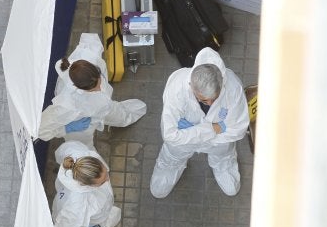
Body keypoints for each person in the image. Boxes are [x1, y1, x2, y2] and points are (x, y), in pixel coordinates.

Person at [149, 47, 250, 198]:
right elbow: (169, 134)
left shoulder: (233, 88)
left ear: (222, 84)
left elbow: (238, 129)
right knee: (173, 154)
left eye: (214, 99)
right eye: (203, 100)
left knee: (223, 153)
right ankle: (170, 166)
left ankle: (223, 165)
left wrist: (190, 132)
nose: (209, 103)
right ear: (191, 86)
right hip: (213, 136)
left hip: (216, 142)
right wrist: (212, 130)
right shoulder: (177, 86)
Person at [38, 33, 146, 150]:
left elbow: (91, 40)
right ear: (77, 87)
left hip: (104, 108)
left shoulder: (90, 59)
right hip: (80, 123)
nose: (100, 89)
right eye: (94, 89)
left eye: (99, 82)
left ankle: (124, 118)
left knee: (115, 114)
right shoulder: (66, 104)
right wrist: (67, 128)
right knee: (82, 148)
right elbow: (41, 129)